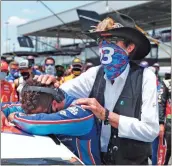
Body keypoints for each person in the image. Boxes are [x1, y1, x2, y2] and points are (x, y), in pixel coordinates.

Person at [33, 10, 159, 164]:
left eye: (112, 39)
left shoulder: (146, 77)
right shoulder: (93, 74)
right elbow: (59, 93)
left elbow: (150, 131)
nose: (105, 45)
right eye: (101, 40)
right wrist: (49, 84)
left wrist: (106, 115)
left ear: (130, 46)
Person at [1, 79, 101, 165]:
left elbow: (38, 123)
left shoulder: (82, 113)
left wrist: (15, 117)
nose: (33, 116)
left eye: (38, 114)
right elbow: (8, 107)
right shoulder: (43, 103)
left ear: (54, 104)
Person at [158, 72, 171, 165]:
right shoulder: (167, 83)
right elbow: (161, 103)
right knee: (167, 150)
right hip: (169, 123)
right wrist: (161, 123)